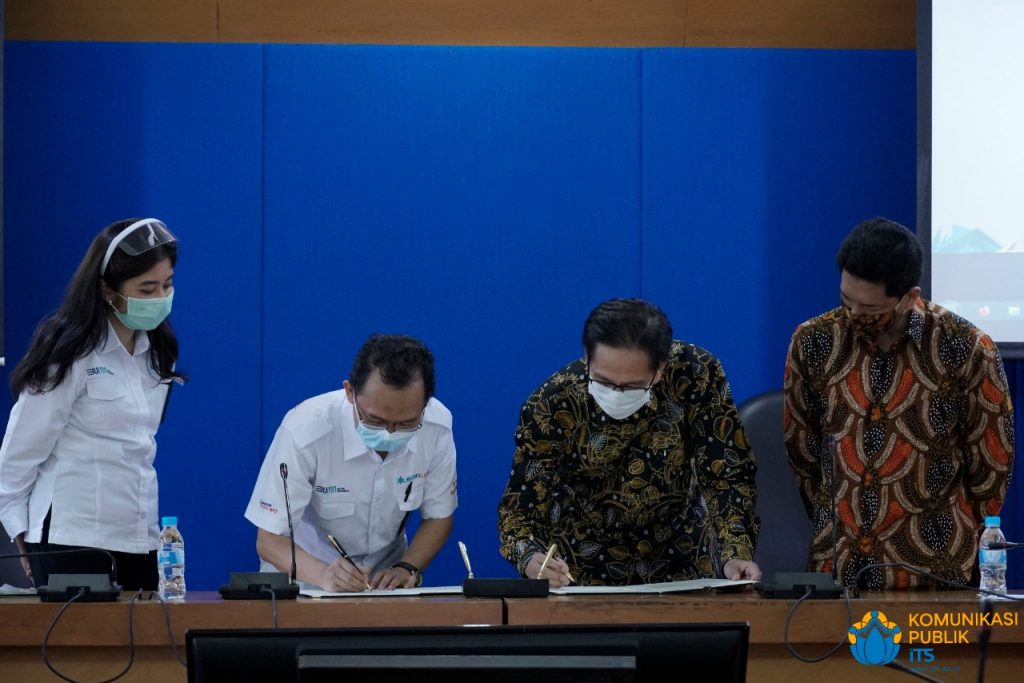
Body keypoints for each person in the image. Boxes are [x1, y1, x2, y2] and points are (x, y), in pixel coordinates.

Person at [784, 217, 1015, 590]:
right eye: (847, 302)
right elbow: (804, 451)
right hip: (839, 570)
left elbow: (991, 466)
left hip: (934, 571)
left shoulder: (964, 347)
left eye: (870, 309)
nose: (855, 316)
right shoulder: (814, 341)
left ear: (910, 296)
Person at [497, 298, 761, 586]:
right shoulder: (553, 404)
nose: (616, 394)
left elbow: (728, 474)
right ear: (587, 357)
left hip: (683, 559)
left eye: (632, 386)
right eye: (604, 382)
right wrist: (530, 557)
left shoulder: (696, 374)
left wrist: (735, 552)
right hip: (580, 569)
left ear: (660, 368)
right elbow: (519, 513)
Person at [0, 218, 182, 591]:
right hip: (73, 535)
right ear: (107, 290)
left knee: (143, 644)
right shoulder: (69, 352)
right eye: (146, 289)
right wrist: (18, 531)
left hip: (139, 535)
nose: (160, 298)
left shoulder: (158, 352)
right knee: (78, 647)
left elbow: (139, 446)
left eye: (167, 284)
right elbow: (20, 452)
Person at [245, 334, 457, 591]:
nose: (389, 432)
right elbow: (268, 540)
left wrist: (407, 567)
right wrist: (325, 576)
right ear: (349, 392)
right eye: (375, 420)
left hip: (385, 586)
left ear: (425, 404)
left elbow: (439, 516)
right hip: (306, 582)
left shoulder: (437, 427)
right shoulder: (305, 430)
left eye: (406, 423)